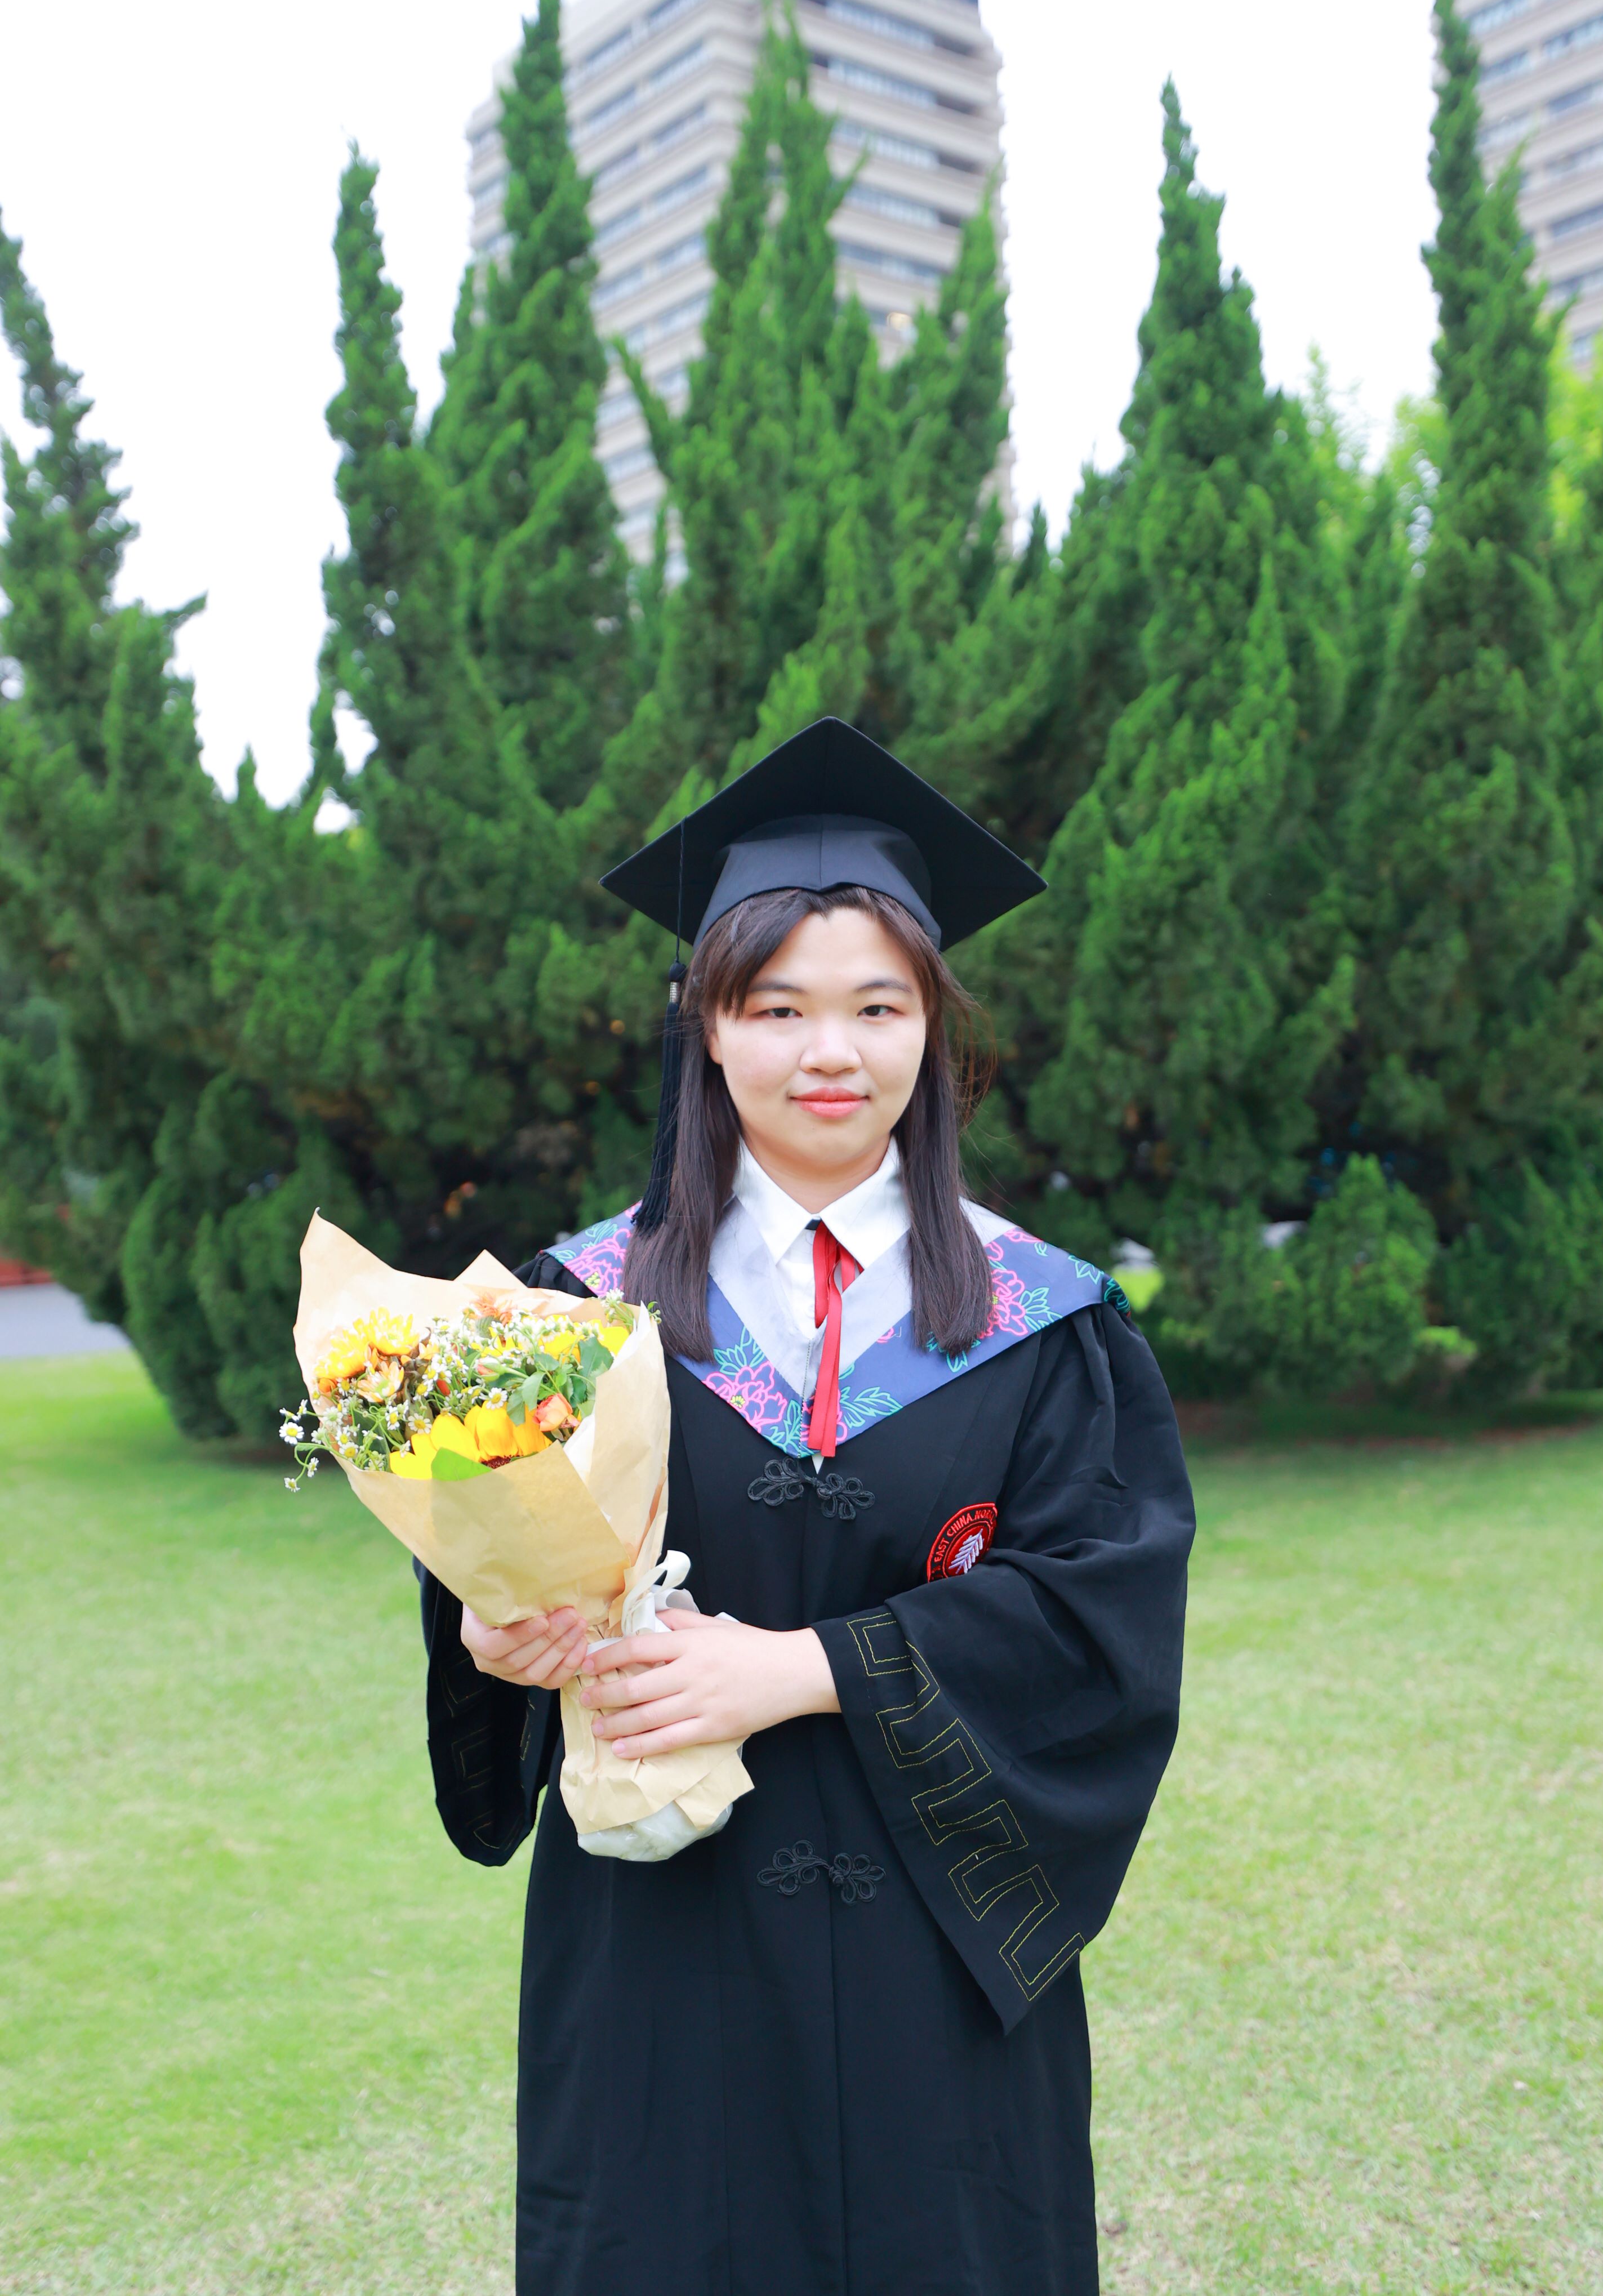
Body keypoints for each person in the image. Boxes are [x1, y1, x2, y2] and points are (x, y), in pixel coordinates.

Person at [416, 719, 1194, 2295]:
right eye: (777, 1006)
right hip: (662, 1938)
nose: (829, 1052)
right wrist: (498, 1642)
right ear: (706, 1025)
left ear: (933, 1029)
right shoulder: (575, 1306)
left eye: (877, 1006)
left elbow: (1100, 1622)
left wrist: (809, 1667)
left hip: (937, 1946)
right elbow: (485, 1590)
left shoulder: (1047, 1319)